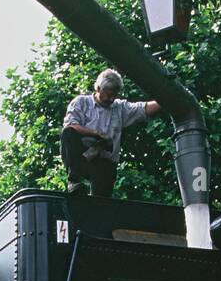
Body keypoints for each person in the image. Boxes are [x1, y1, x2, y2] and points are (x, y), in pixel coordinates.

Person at [61, 68, 162, 197]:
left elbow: (143, 108)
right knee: (67, 134)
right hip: (81, 158)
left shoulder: (120, 108)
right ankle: (74, 181)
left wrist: (165, 101)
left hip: (104, 163)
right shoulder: (81, 102)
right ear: (98, 88)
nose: (111, 98)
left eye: (114, 95)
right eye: (108, 94)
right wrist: (95, 134)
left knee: (102, 204)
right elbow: (70, 126)